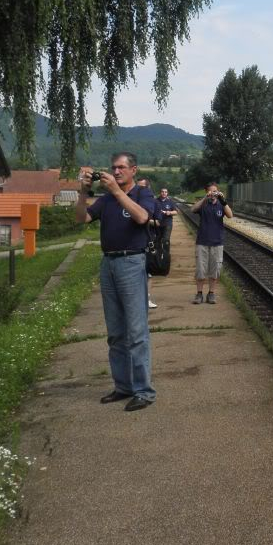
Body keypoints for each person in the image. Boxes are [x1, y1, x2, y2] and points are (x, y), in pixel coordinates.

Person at [75, 152, 156, 411]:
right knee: (116, 333)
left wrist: (117, 193)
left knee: (136, 332)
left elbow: (142, 217)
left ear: (134, 170)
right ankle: (123, 386)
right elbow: (81, 218)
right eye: (113, 168)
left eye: (122, 167)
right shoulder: (106, 199)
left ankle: (144, 390)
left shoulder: (142, 194)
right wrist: (82, 193)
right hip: (108, 264)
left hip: (132, 263)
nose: (116, 171)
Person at [191, 182, 232, 304]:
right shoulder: (203, 204)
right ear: (207, 192)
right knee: (201, 270)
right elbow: (193, 209)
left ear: (218, 192)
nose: (213, 193)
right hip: (202, 242)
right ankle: (199, 294)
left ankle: (211, 293)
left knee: (215, 270)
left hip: (217, 242)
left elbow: (230, 215)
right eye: (211, 191)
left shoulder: (221, 204)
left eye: (215, 191)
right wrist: (205, 198)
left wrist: (223, 201)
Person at [135, 177, 158, 308]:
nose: (138, 190)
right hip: (134, 242)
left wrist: (141, 217)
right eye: (137, 187)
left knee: (147, 273)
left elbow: (159, 221)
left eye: (141, 187)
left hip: (148, 240)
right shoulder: (131, 200)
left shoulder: (152, 202)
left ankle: (147, 298)